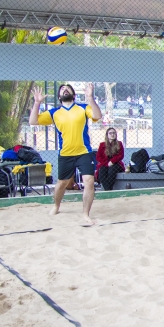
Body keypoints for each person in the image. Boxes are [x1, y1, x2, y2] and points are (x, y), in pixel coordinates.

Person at [30, 83, 102, 224]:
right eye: (62, 89)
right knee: (62, 183)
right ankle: (56, 206)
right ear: (59, 97)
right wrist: (37, 103)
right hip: (65, 154)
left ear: (74, 95)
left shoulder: (83, 108)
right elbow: (33, 121)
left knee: (89, 181)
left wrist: (90, 98)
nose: (65, 90)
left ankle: (85, 214)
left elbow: (97, 115)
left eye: (68, 88)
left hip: (84, 152)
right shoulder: (54, 112)